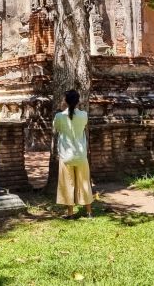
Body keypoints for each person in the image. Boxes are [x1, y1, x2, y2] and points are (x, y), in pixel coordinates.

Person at [52, 89, 93, 218]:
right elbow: (83, 127)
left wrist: (61, 109)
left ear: (65, 100)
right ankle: (89, 212)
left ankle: (70, 213)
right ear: (78, 101)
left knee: (67, 183)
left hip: (66, 156)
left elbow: (56, 129)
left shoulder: (59, 116)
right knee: (84, 182)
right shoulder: (84, 115)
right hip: (81, 155)